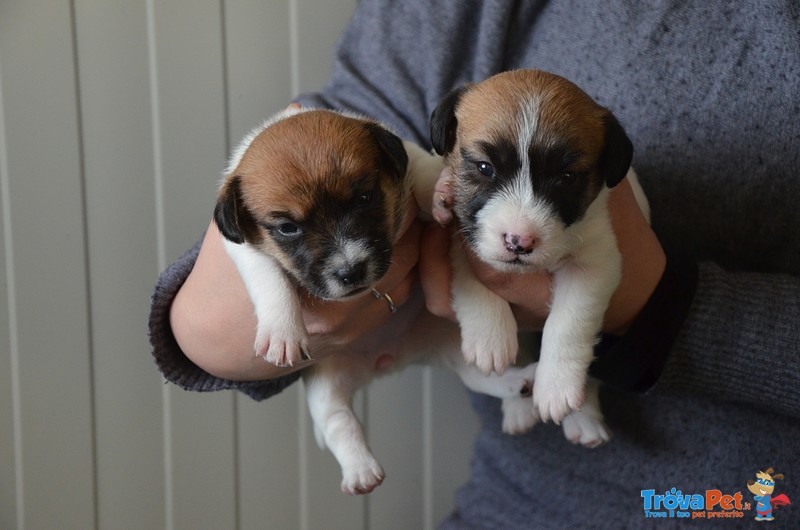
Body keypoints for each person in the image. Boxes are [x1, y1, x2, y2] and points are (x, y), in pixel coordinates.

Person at [149, 0, 800, 527]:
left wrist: (662, 309)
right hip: (518, 502)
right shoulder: (387, 109)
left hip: (759, 498)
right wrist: (260, 317)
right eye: (480, 167)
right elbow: (215, 321)